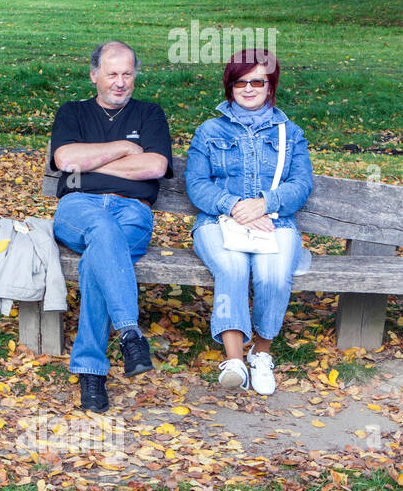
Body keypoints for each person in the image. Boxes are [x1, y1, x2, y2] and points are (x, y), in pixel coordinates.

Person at [48, 41, 175, 412]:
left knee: (95, 260)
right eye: (112, 74)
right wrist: (124, 148)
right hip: (78, 207)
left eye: (127, 74)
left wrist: (91, 164)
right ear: (94, 76)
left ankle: (91, 374)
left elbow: (154, 167)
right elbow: (66, 158)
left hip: (133, 212)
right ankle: (130, 332)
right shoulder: (72, 112)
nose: (120, 83)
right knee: (102, 230)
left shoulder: (150, 114)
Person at [184, 49, 313, 395]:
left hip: (275, 223)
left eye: (258, 81)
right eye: (241, 81)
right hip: (217, 221)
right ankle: (234, 360)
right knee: (233, 268)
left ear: (270, 86)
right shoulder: (209, 131)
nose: (249, 88)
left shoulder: (290, 133)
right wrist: (234, 206)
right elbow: (196, 184)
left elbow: (301, 184)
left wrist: (263, 205)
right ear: (230, 86)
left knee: (272, 275)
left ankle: (261, 354)